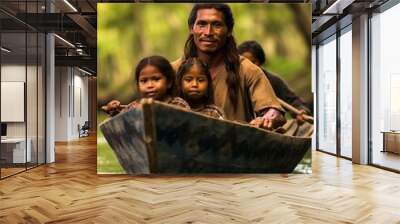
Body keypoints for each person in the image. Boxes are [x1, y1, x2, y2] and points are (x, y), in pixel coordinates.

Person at [171, 3, 285, 130]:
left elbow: (274, 111)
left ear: (229, 30)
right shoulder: (173, 70)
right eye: (202, 24)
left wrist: (267, 119)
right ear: (192, 28)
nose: (208, 32)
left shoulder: (246, 69)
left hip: (235, 145)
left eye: (217, 25)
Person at [238, 40, 311, 122]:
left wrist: (301, 110)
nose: (249, 66)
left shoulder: (272, 80)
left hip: (267, 126)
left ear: (260, 62)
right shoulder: (233, 80)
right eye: (245, 63)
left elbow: (292, 100)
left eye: (253, 62)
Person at [102, 55, 190, 116]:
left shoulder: (178, 104)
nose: (150, 85)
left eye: (156, 79)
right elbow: (121, 125)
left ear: (169, 82)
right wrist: (114, 111)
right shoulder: (133, 107)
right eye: (144, 81)